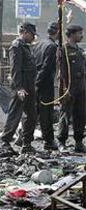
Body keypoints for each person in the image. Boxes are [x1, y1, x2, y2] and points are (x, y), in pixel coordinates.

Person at [1, 22, 38, 154]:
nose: (34, 38)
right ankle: (5, 142)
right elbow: (15, 69)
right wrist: (19, 88)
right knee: (15, 114)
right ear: (26, 33)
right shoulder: (16, 46)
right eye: (32, 34)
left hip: (29, 85)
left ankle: (26, 143)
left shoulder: (26, 46)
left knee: (32, 115)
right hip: (21, 86)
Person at [57, 25, 86, 153]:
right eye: (79, 33)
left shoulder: (79, 50)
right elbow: (61, 72)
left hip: (81, 87)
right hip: (69, 87)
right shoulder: (63, 50)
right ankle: (61, 142)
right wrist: (64, 89)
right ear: (72, 34)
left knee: (80, 115)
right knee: (65, 115)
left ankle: (79, 142)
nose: (82, 35)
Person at [32, 22, 59, 150]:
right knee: (46, 113)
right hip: (45, 84)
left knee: (32, 112)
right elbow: (47, 68)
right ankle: (49, 141)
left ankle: (23, 138)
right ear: (57, 32)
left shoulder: (39, 44)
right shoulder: (52, 46)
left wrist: (35, 83)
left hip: (35, 82)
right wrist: (39, 83)